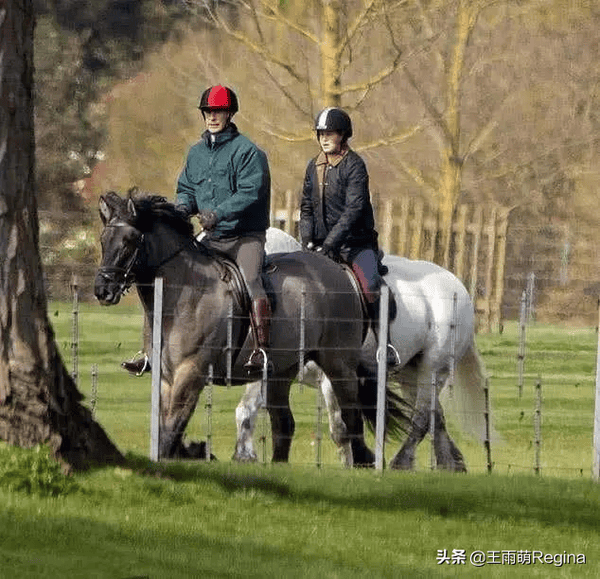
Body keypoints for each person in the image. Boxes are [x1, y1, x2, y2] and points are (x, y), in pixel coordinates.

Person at [122, 85, 272, 376]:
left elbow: (250, 192)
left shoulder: (249, 152)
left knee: (252, 279)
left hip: (244, 238)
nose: (212, 117)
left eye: (218, 112)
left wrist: (219, 213)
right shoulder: (196, 153)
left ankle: (261, 349)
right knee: (166, 276)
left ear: (229, 114)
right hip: (212, 237)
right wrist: (181, 209)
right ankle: (151, 350)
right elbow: (187, 189)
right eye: (208, 112)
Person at [299, 107, 399, 367]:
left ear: (343, 135)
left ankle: (385, 343)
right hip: (321, 246)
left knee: (371, 284)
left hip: (355, 244)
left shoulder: (355, 166)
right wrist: (307, 242)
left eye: (329, 133)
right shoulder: (314, 166)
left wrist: (331, 243)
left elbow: (354, 210)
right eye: (321, 133)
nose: (324, 138)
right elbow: (306, 208)